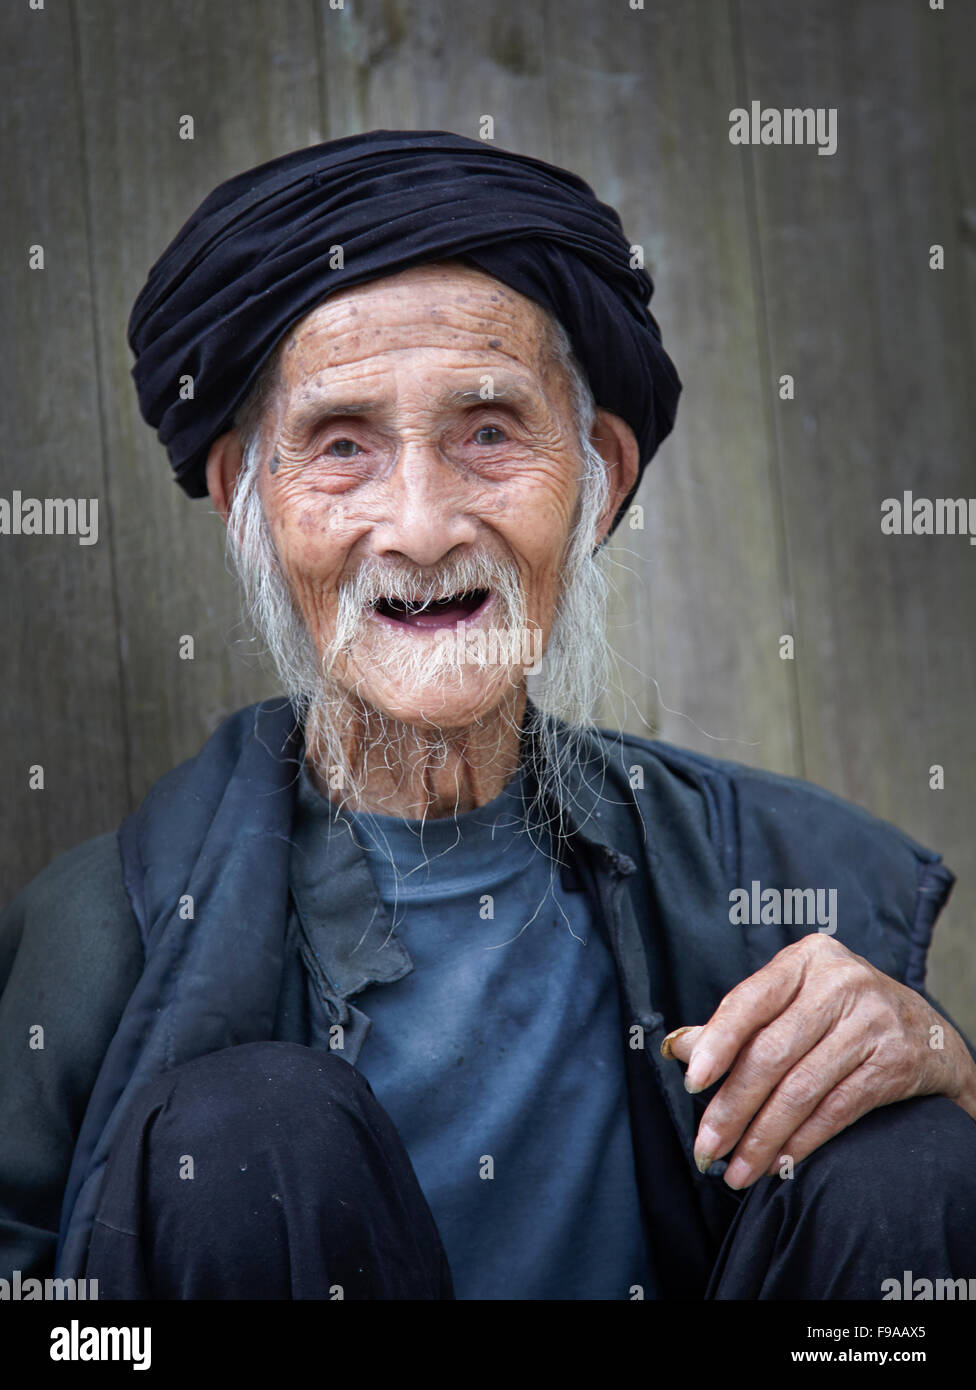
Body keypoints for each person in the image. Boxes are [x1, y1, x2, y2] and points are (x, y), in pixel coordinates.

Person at [2, 131, 974, 1301]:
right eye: (342, 445)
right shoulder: (90, 938)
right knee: (251, 1136)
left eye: (489, 433)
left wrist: (958, 1077)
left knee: (906, 1149)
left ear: (598, 478)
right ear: (244, 501)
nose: (420, 525)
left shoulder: (775, 873)